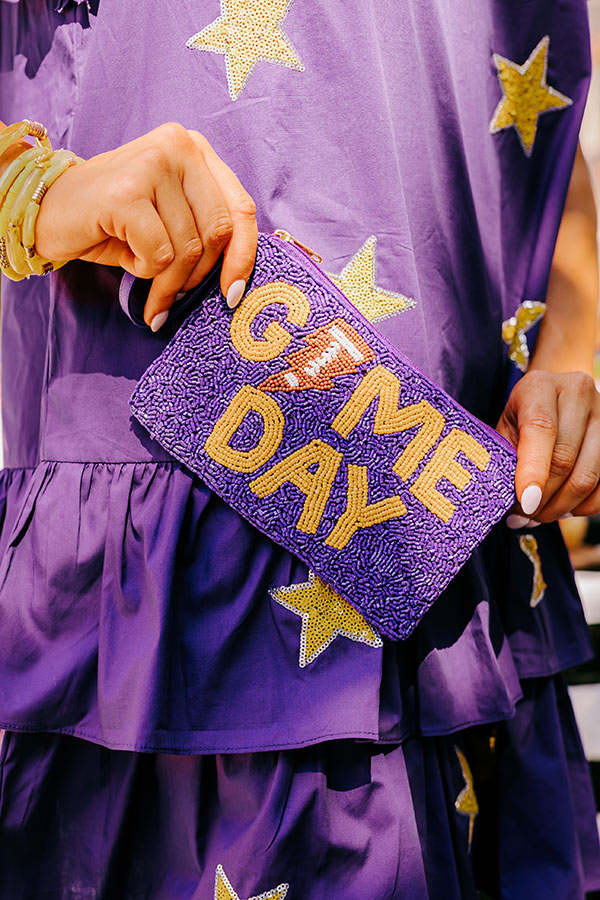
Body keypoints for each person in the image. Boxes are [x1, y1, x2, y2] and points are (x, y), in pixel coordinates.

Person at [0, 1, 599, 897]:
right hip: (159, 631)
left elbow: (528, 137)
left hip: (452, 596)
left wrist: (575, 357)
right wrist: (35, 191)